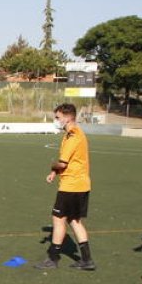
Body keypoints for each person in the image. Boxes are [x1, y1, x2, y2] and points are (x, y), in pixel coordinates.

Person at [34, 103, 96, 271]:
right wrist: (54, 172)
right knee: (74, 221)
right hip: (80, 184)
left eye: (58, 117)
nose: (56, 120)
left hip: (71, 186)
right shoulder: (73, 133)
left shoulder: (73, 136)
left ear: (68, 117)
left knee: (58, 220)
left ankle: (53, 259)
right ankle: (87, 260)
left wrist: (53, 166)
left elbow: (63, 163)